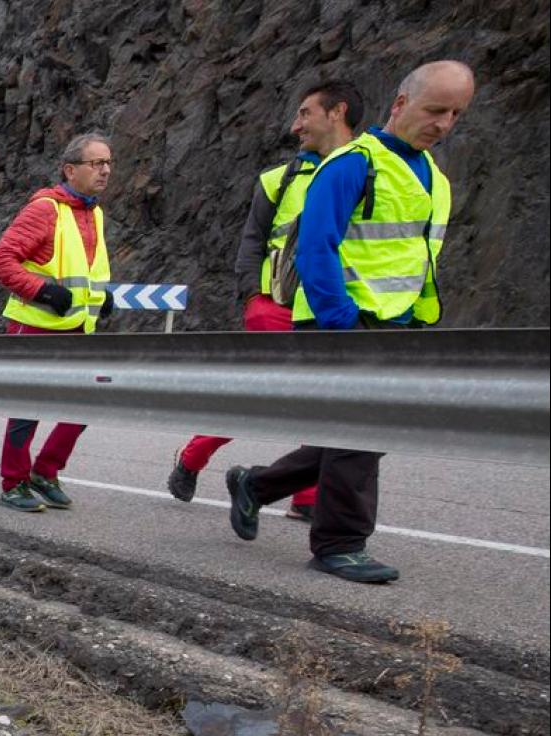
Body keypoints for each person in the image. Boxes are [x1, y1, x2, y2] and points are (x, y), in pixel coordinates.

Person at [226, 60, 474, 585]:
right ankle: (340, 543)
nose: (445, 123)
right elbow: (315, 249)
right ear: (401, 104)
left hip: (397, 325)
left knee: (358, 433)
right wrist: (342, 324)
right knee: (360, 432)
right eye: (435, 110)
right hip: (344, 322)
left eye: (456, 113)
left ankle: (257, 484)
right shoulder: (354, 163)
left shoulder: (433, 177)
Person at [171, 80, 366, 516]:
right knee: (255, 399)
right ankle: (191, 458)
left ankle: (307, 498)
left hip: (336, 308)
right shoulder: (278, 179)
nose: (295, 126)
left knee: (324, 406)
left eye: (305, 114)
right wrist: (253, 296)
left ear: (337, 112)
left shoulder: (368, 170)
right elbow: (252, 241)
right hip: (276, 307)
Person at [0, 132, 114, 512]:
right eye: (97, 163)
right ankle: (13, 482)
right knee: (28, 406)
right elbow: (0, 262)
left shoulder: (94, 212)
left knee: (87, 403)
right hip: (35, 324)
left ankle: (45, 471)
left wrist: (101, 296)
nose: (105, 170)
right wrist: (43, 292)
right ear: (70, 169)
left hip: (79, 328)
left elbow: (84, 269)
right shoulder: (45, 209)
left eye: (108, 163)